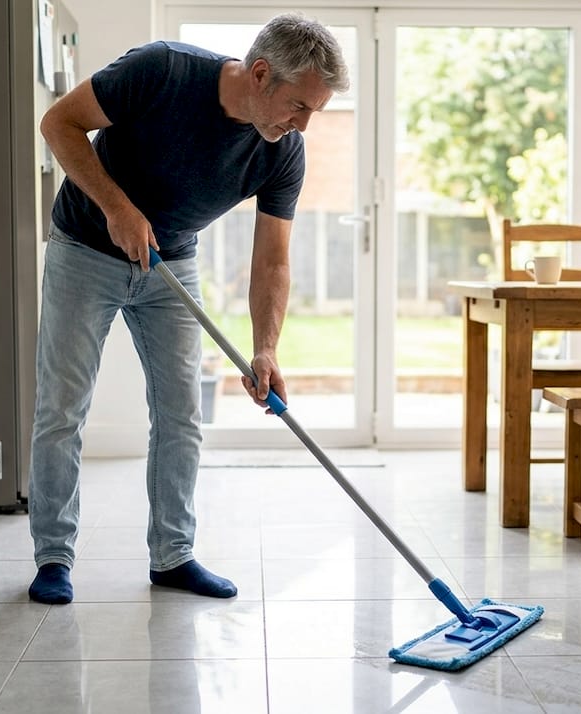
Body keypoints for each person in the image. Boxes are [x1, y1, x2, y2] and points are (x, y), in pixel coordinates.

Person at [27, 14, 349, 604]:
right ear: (260, 74)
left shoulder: (283, 153)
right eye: (299, 106)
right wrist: (118, 208)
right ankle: (53, 557)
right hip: (84, 248)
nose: (302, 124)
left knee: (181, 413)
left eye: (313, 113)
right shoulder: (162, 70)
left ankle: (172, 556)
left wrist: (266, 347)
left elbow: (272, 260)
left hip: (170, 261)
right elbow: (59, 123)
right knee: (62, 408)